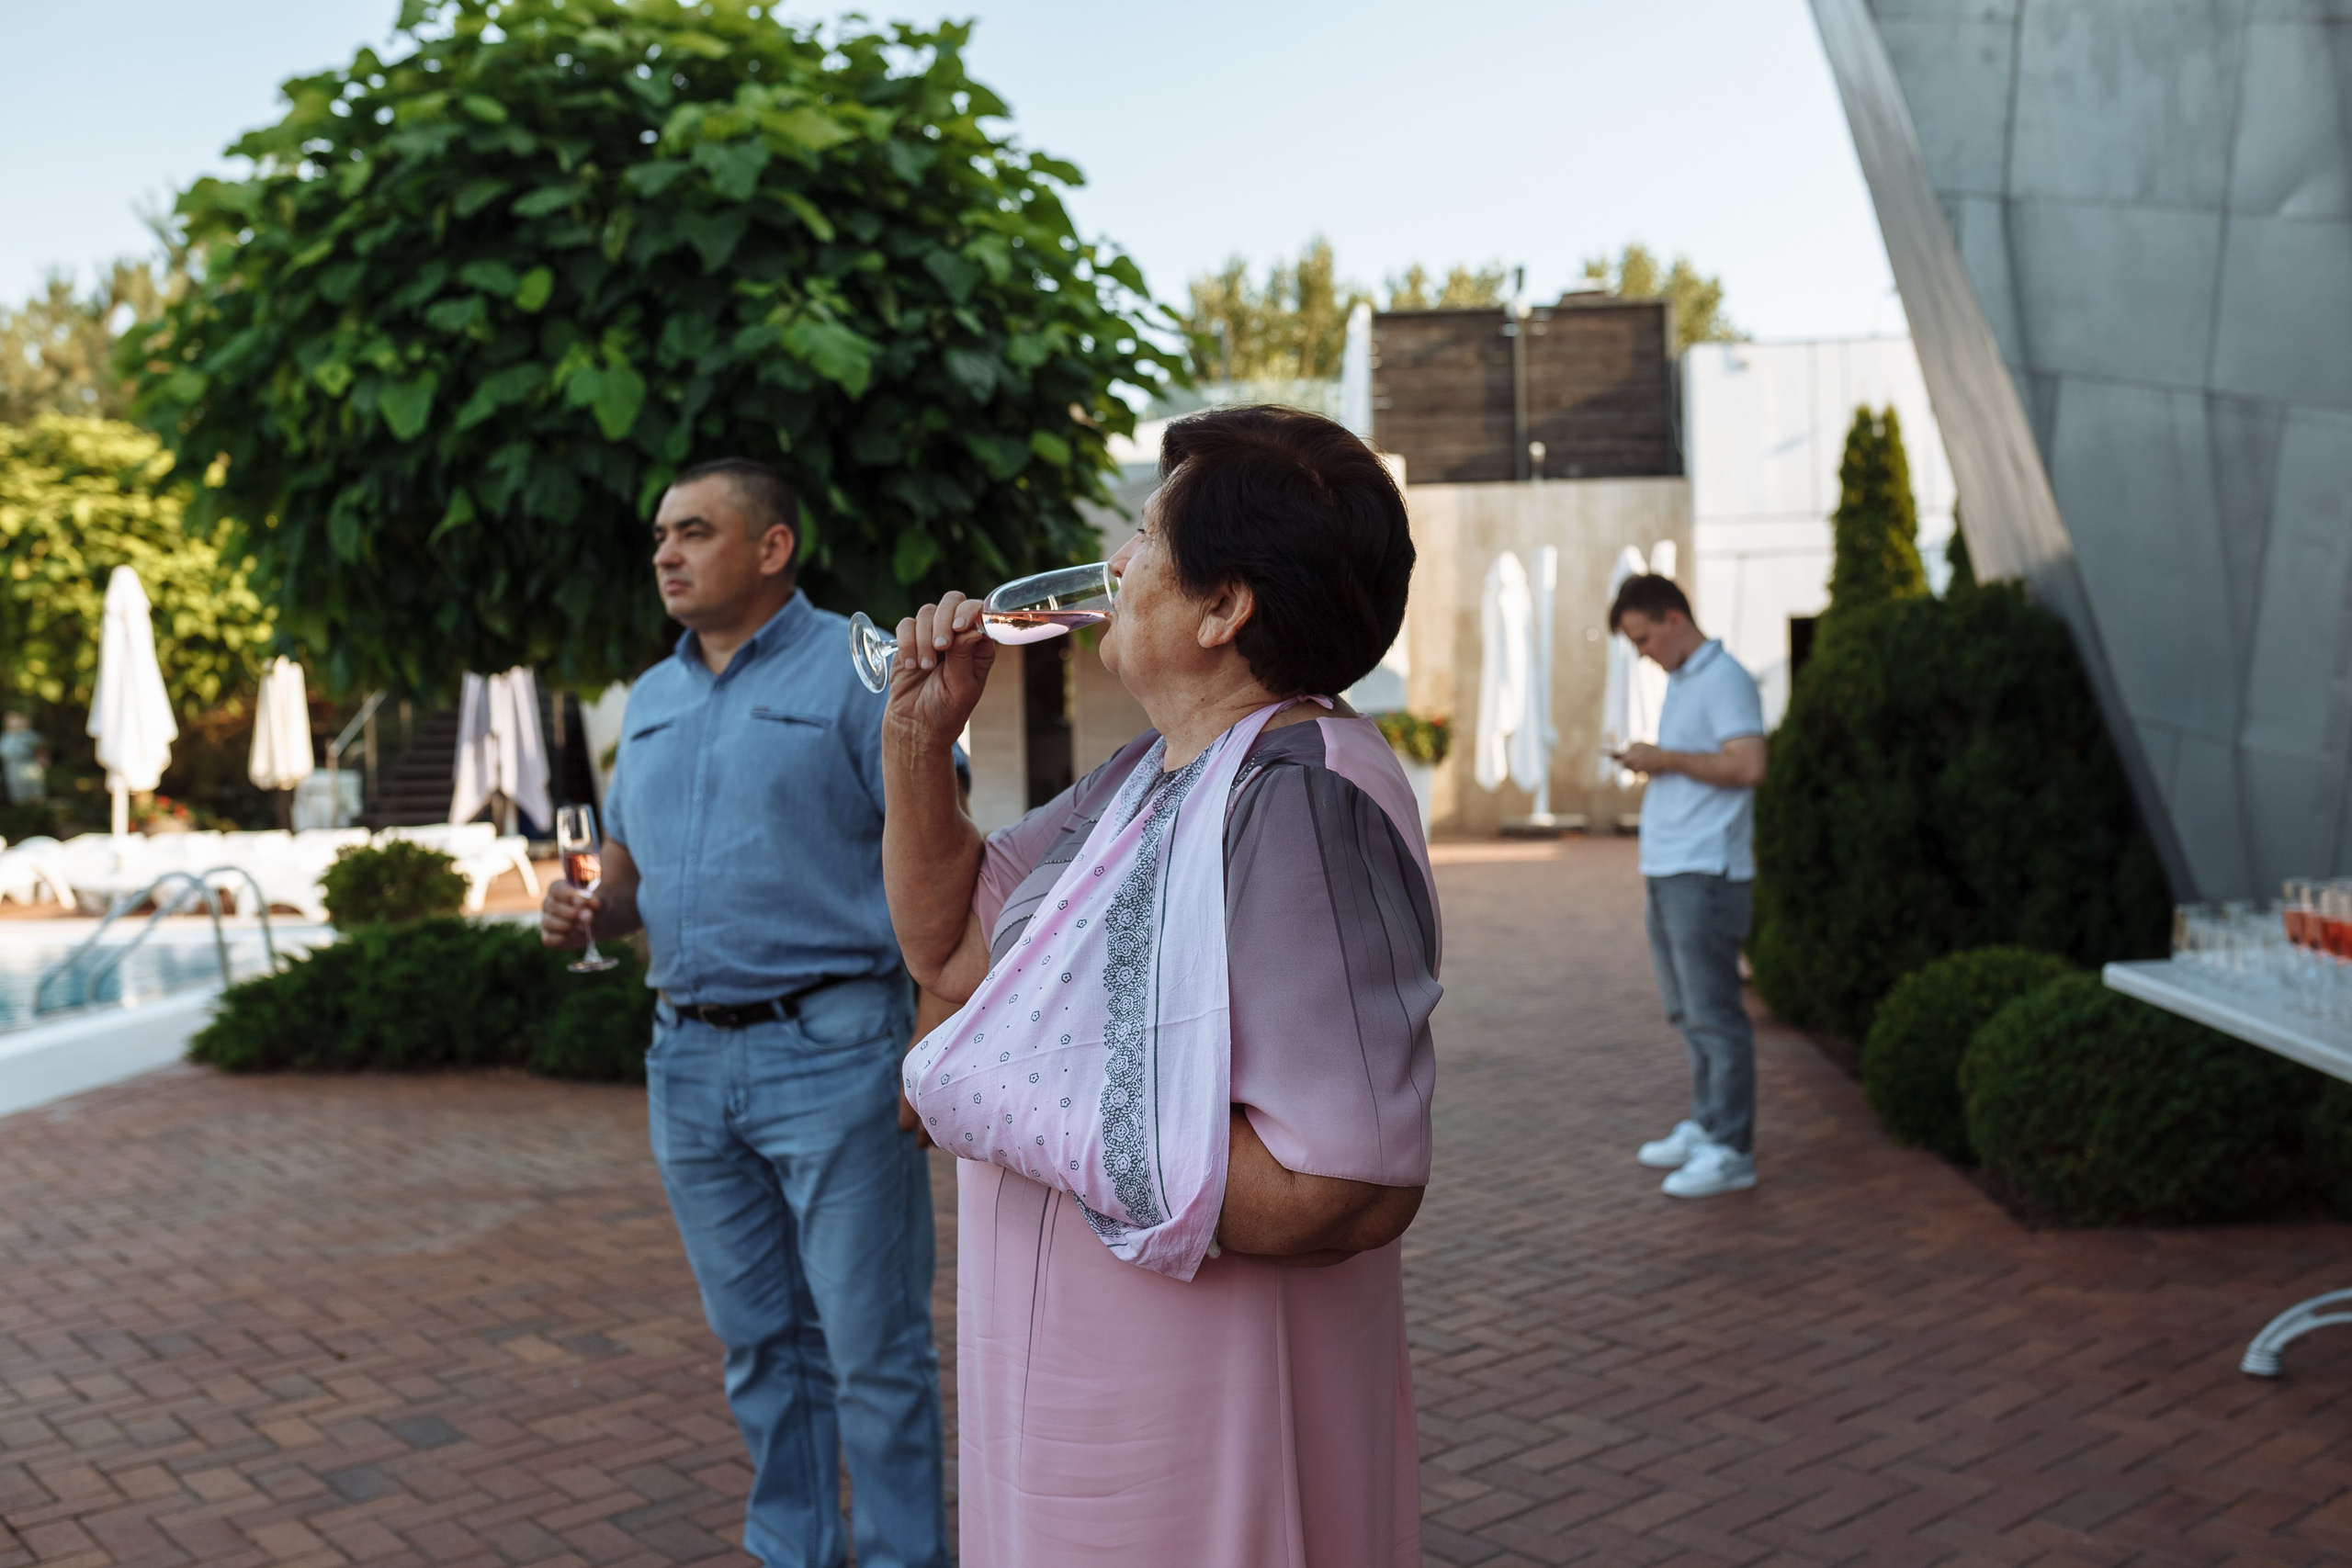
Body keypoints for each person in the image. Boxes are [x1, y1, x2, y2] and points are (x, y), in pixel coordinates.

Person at [880, 405, 1439, 1566]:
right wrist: (918, 743)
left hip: (1195, 1411)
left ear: (1223, 607)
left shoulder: (1298, 798)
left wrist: (1004, 1093)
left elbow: (1344, 1186)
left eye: (1142, 537)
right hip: (1075, 1388)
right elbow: (947, 952)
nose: (1116, 565)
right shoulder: (1150, 772)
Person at [539, 457, 945, 1568]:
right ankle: (795, 1551)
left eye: (695, 532)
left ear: (772, 547)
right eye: (660, 535)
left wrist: (935, 1023)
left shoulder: (859, 670)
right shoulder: (652, 696)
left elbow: (942, 850)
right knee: (760, 1345)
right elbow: (625, 877)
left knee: (872, 1348)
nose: (665, 553)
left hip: (837, 1055)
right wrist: (588, 909)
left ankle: (909, 1555)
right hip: (686, 1064)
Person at [1608, 573, 1768, 1199]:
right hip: (1676, 868)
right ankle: (1709, 1125)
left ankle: (1732, 1148)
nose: (1642, 651)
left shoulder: (1724, 678)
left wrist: (1665, 758)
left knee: (1715, 1014)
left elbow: (1750, 764)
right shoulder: (1685, 680)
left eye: (1644, 638)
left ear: (1674, 618)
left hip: (1705, 871)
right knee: (1689, 1011)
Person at [2, 712, 47, 806]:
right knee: (18, 792)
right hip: (13, 768)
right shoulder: (5, 737)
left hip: (30, 766)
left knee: (34, 791)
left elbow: (40, 749)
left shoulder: (30, 735)